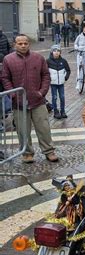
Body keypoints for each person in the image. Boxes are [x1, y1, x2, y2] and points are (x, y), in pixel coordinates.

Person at [1, 34, 58, 163]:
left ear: (29, 44)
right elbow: (5, 78)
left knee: (43, 128)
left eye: (25, 43)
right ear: (15, 44)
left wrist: (42, 92)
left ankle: (49, 151)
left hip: (37, 101)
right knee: (22, 130)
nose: (23, 45)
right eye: (20, 43)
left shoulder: (38, 58)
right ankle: (27, 153)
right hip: (19, 102)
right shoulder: (8, 59)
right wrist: (13, 94)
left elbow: (45, 75)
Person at [47, 45, 71, 119]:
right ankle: (56, 111)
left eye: (58, 51)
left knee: (62, 97)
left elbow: (68, 70)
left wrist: (65, 77)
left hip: (61, 83)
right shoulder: (48, 61)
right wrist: (49, 79)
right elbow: (45, 72)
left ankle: (63, 111)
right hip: (53, 83)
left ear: (60, 52)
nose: (56, 53)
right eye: (54, 51)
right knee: (54, 97)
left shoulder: (63, 61)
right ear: (52, 52)